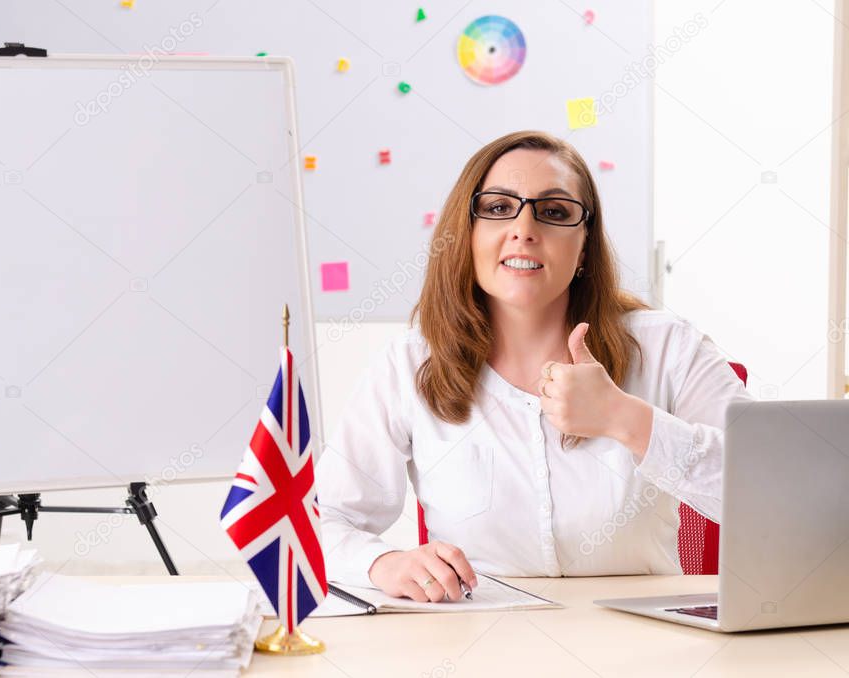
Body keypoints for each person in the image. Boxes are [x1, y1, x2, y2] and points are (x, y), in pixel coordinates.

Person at [316, 130, 754, 603]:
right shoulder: (408, 363)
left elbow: (774, 496)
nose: (524, 228)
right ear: (468, 235)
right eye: (500, 208)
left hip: (643, 642)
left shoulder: (669, 346)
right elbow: (323, 522)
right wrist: (383, 563)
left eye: (554, 212)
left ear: (584, 247)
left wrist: (626, 419)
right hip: (473, 640)